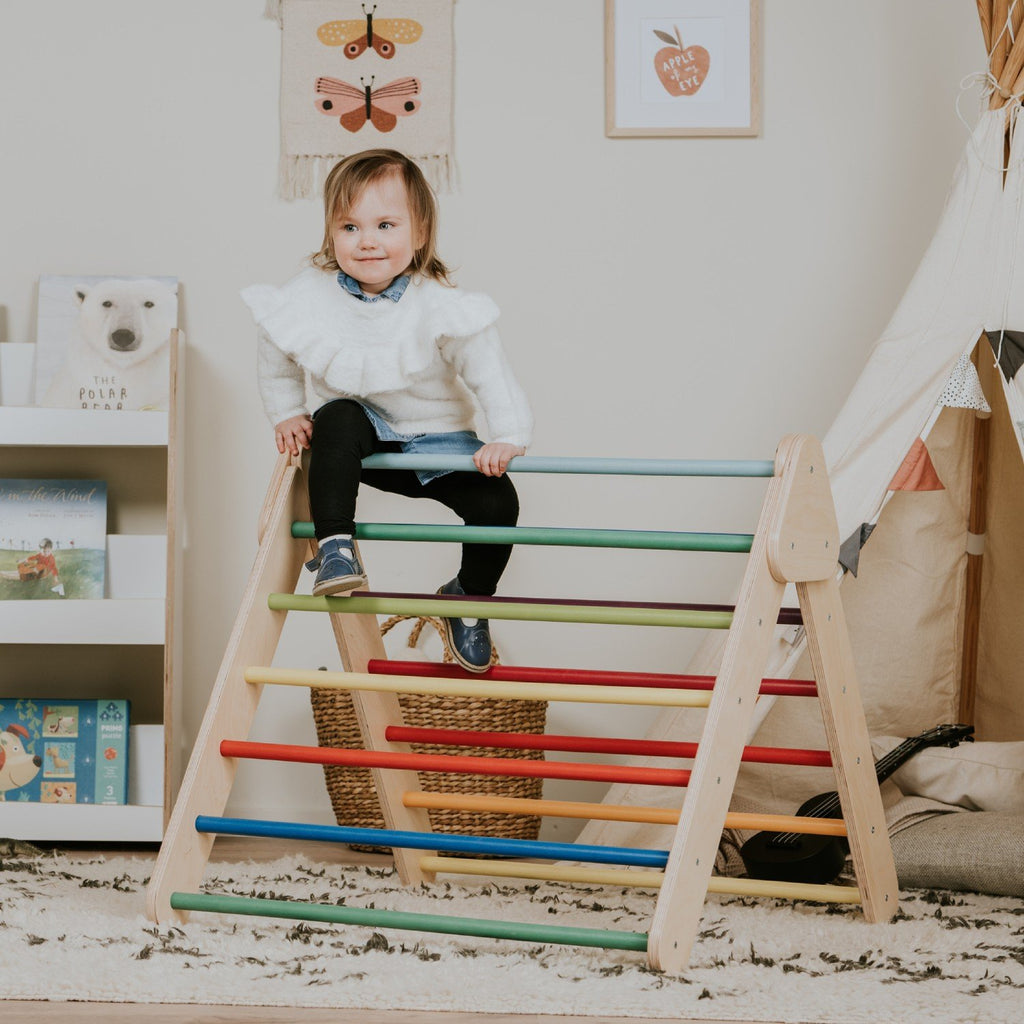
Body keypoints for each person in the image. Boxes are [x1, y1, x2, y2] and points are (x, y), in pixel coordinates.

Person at [242, 149, 532, 673]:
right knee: (335, 416)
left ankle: (467, 597)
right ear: (331, 234)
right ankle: (335, 545)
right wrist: (286, 412)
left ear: (419, 233)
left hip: (437, 439)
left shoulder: (438, 302)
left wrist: (506, 434)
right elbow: (276, 343)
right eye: (349, 226)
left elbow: (490, 370)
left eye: (385, 224)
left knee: (497, 505)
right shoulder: (310, 293)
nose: (367, 240)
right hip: (359, 440)